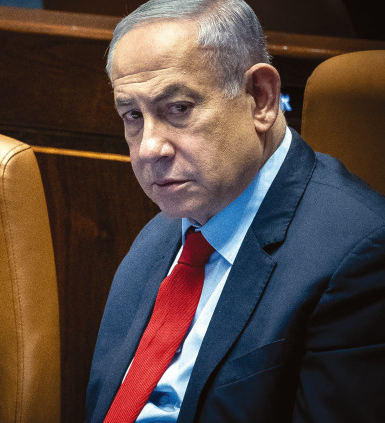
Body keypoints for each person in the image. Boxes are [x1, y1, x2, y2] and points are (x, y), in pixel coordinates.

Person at [85, 0, 385, 422]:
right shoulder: (160, 236)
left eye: (179, 108)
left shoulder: (358, 256)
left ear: (261, 98)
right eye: (133, 115)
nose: (150, 148)